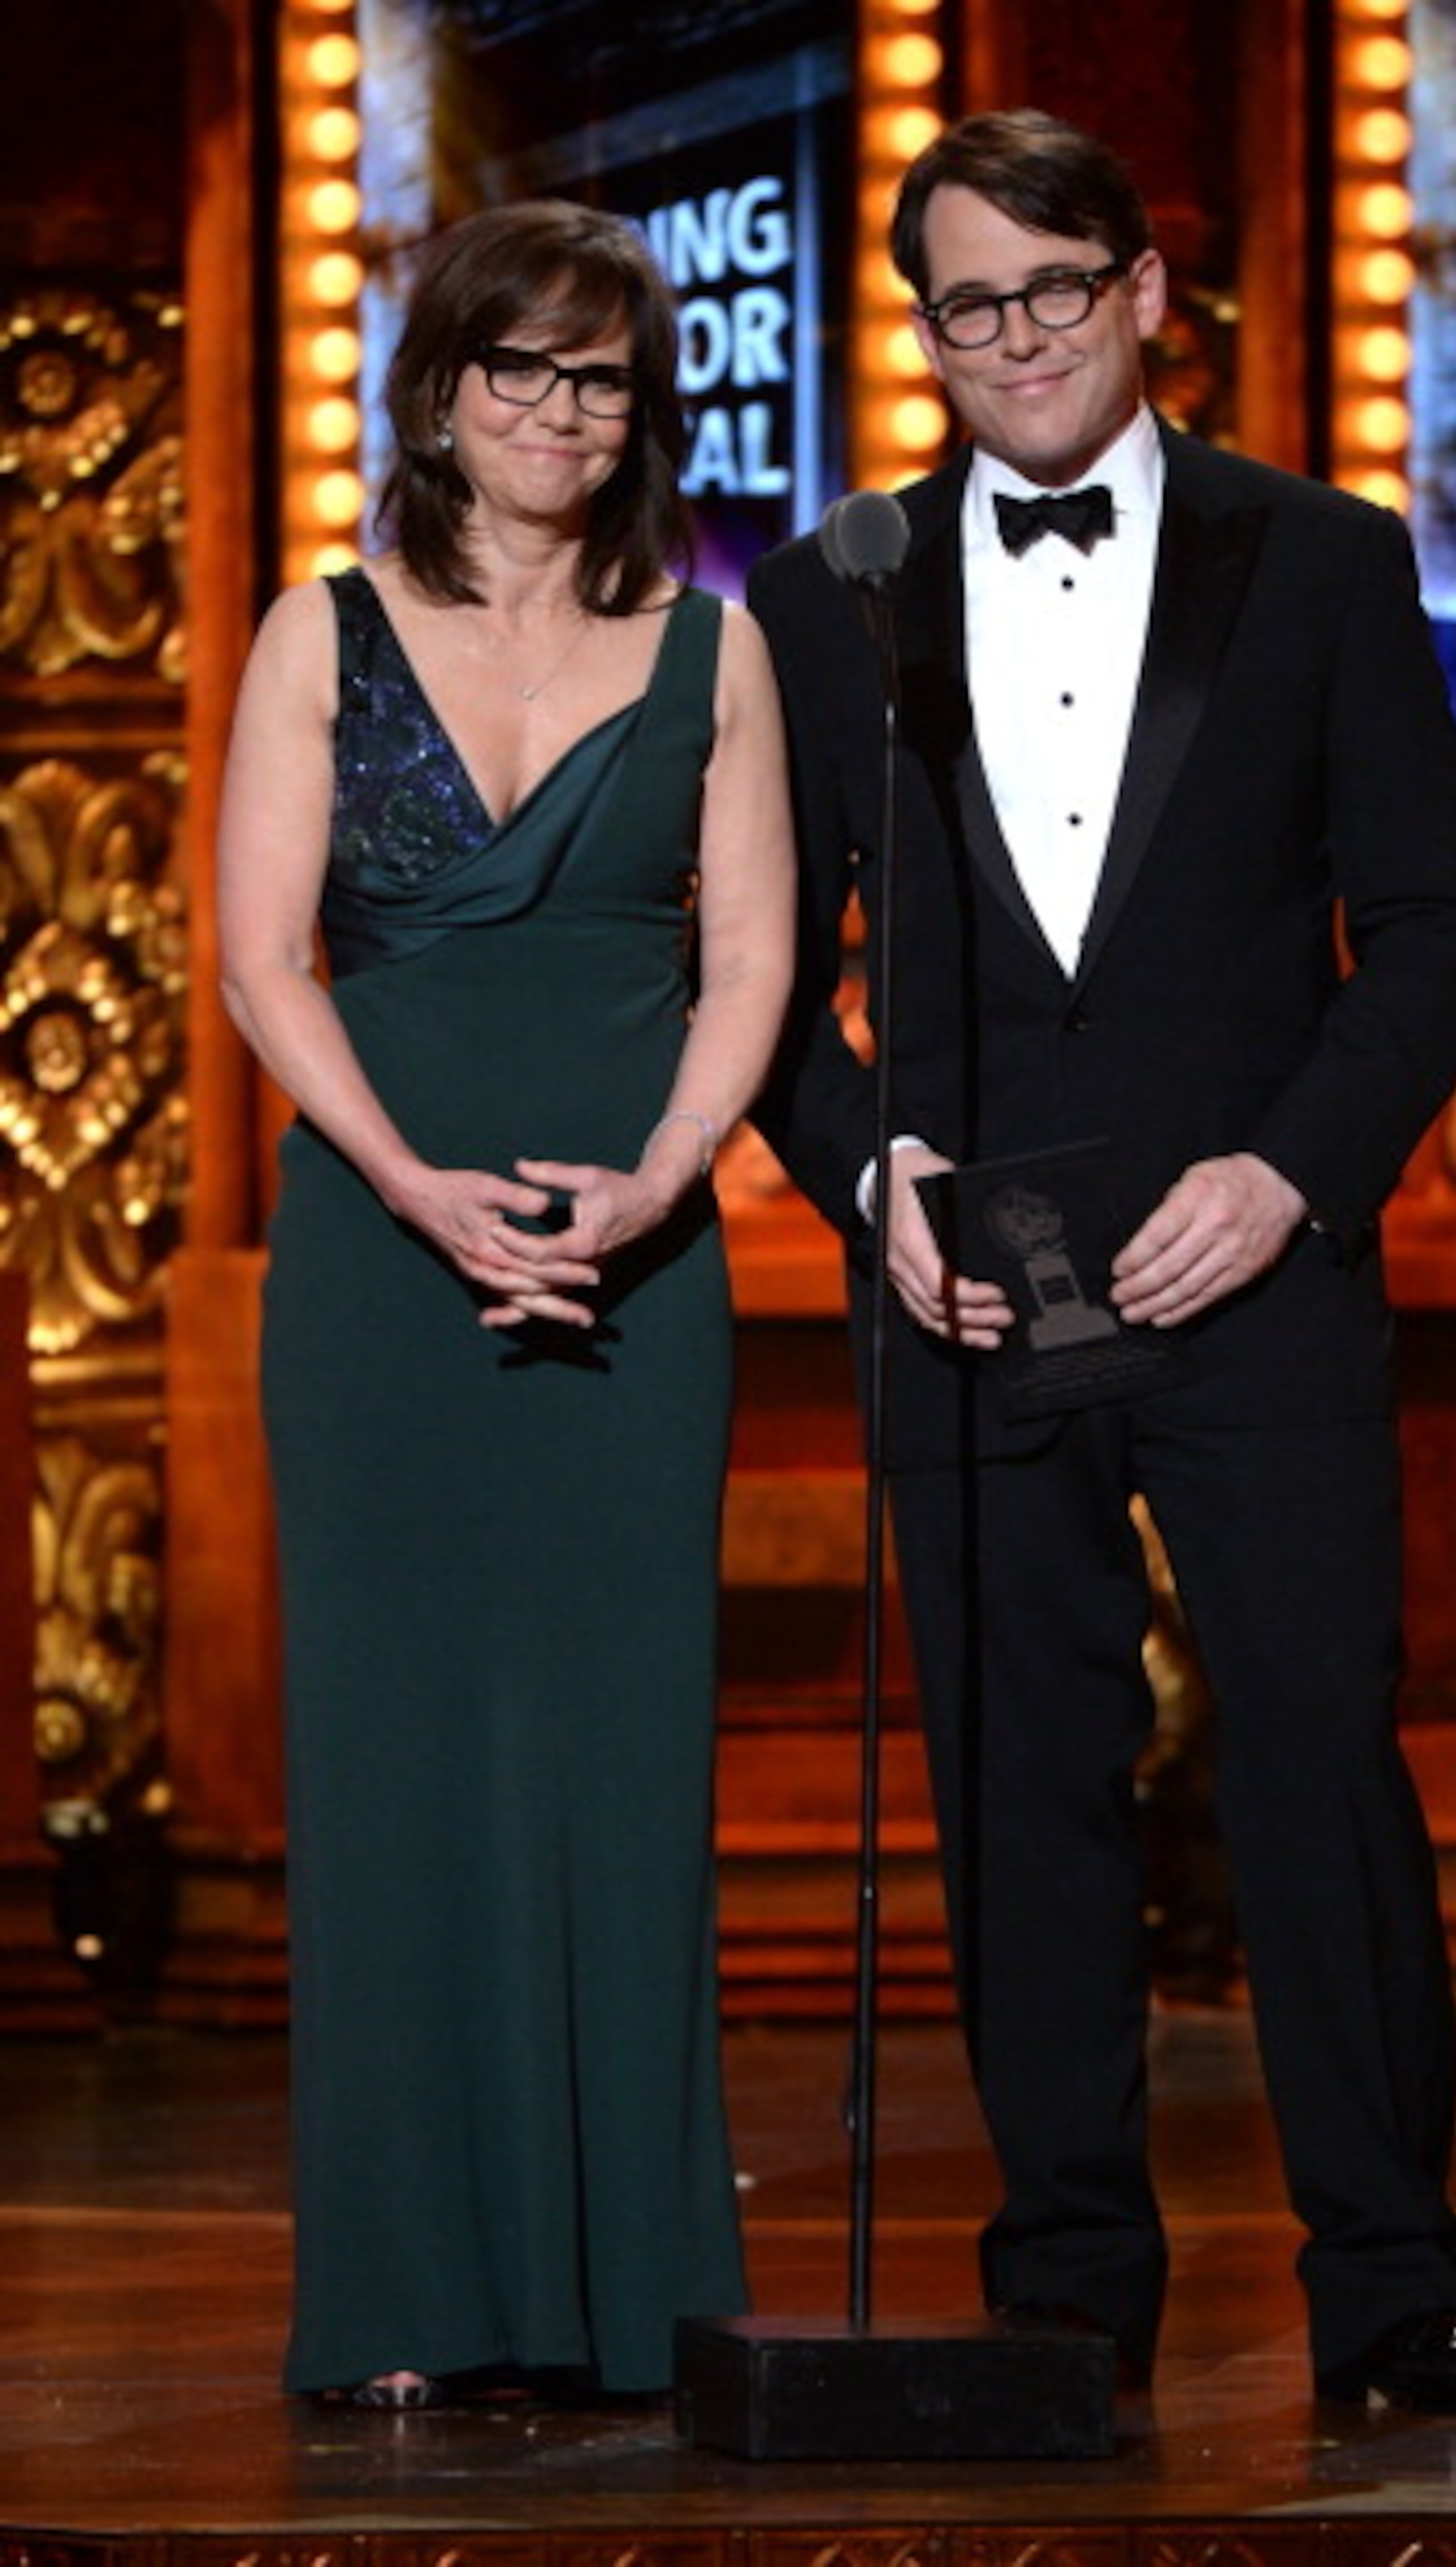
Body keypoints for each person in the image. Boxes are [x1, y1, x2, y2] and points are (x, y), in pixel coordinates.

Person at [749, 110, 1456, 2419]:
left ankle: (1396, 2298)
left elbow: (1432, 925)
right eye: (961, 306)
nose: (1008, 341)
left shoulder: (1321, 560)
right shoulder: (839, 588)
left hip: (1260, 1272)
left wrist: (1295, 1173)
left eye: (1049, 291)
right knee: (1025, 1792)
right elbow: (754, 967)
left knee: (1320, 1764)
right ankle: (1067, 2302)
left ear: (1143, 294)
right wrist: (866, 1169)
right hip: (974, 1279)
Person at [218, 199, 794, 2409]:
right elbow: (267, 956)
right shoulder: (322, 627)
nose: (563, 412)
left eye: (604, 378)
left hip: (638, 1266)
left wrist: (658, 1183)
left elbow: (752, 961)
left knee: (619, 1768)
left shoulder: (713, 648)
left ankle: (628, 2290)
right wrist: (408, 1186)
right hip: (380, 1265)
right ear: (443, 388)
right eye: (522, 369)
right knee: (391, 1770)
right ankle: (406, 2307)